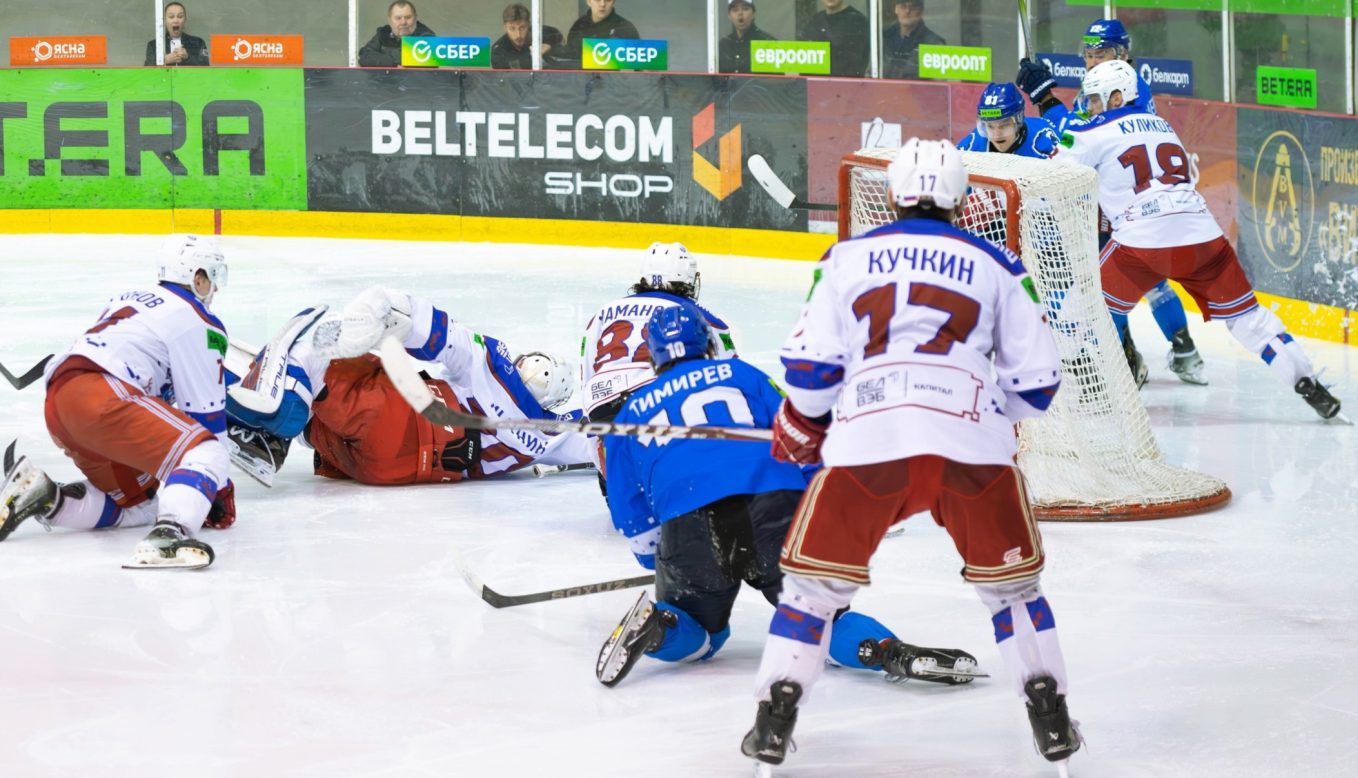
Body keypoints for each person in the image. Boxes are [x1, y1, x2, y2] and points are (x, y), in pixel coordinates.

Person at [740, 138, 1080, 771]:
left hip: (870, 441)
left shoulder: (845, 256)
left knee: (813, 592)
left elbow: (811, 370)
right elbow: (1037, 384)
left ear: (892, 194)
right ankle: (1048, 707)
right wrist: (990, 415)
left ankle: (775, 712)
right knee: (1013, 593)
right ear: (964, 201)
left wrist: (801, 423)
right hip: (971, 446)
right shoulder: (1000, 263)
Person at [596, 304, 981, 689]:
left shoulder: (629, 413)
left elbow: (629, 508)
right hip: (773, 505)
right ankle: (885, 651)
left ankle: (660, 627)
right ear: (708, 342)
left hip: (689, 522)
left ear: (653, 355)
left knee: (701, 631)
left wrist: (656, 559)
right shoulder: (744, 374)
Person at [1054, 61, 1342, 421]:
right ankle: (1308, 383)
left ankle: (1073, 392)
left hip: (1142, 240)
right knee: (1249, 319)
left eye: (1095, 99)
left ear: (1116, 97)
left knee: (1077, 306)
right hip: (1202, 236)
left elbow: (1054, 172)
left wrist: (1054, 124)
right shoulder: (1163, 126)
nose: (1090, 106)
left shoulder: (1090, 130)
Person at [0, 235, 235, 570]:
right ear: (196, 277)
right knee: (207, 451)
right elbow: (205, 418)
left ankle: (46, 497)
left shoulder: (129, 297)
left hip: (59, 402)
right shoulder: (198, 320)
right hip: (104, 395)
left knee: (138, 503)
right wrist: (219, 489)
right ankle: (169, 538)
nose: (215, 288)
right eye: (212, 276)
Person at [224, 288, 587, 486]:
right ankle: (273, 426)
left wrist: (383, 306)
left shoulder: (496, 365)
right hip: (388, 469)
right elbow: (600, 439)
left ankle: (270, 428)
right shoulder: (546, 434)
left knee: (323, 347)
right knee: (321, 406)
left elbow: (438, 333)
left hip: (400, 417)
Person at [1016, 17, 1205, 387]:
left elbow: (1075, 134)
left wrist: (1046, 98)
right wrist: (1047, 98)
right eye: (1088, 53)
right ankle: (1183, 351)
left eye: (1100, 53)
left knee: (1109, 283)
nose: (1091, 60)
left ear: (1122, 53)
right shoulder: (1115, 86)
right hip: (1135, 200)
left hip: (1121, 204)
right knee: (1145, 281)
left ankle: (1127, 361)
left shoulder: (1124, 90)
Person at [579, 243, 734, 489]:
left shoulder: (600, 314)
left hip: (601, 402)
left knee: (621, 483)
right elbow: (731, 375)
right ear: (687, 278)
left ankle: (619, 487)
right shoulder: (695, 314)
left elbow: (587, 376)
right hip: (658, 399)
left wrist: (596, 452)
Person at [955, 82, 1060, 158]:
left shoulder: (1044, 142)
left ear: (1018, 120)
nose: (996, 134)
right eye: (990, 126)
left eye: (1003, 125)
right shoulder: (973, 146)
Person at [799, 0, 870, 78]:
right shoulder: (814, 22)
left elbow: (855, 67)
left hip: (845, 84)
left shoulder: (858, 22)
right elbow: (804, 64)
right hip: (816, 84)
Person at [358, 0, 436, 68]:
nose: (403, 22)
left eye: (408, 17)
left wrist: (383, 57)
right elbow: (364, 56)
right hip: (386, 80)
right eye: (398, 18)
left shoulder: (427, 36)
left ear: (415, 18)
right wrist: (393, 61)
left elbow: (430, 61)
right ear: (390, 20)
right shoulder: (383, 33)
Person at [881, 0, 945, 80]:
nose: (907, 11)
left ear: (921, 11)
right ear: (896, 9)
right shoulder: (883, 38)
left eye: (913, 7)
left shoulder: (934, 45)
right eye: (903, 5)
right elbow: (870, 74)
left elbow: (938, 85)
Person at [561, 0, 640, 63]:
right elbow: (570, 60)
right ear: (588, 1)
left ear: (613, 2)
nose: (602, 4)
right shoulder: (578, 26)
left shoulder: (626, 29)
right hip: (582, 77)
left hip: (614, 78)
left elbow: (635, 69)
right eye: (597, 0)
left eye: (608, 0)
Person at [491, 4, 564, 70]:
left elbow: (562, 40)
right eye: (512, 29)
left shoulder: (542, 32)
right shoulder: (499, 51)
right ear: (505, 28)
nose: (518, 35)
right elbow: (501, 79)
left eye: (522, 28)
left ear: (528, 24)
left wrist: (549, 46)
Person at [718, 0, 775, 75]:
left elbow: (776, 79)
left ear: (754, 14)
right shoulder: (723, 44)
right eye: (735, 10)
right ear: (729, 16)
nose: (740, 13)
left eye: (745, 9)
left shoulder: (767, 43)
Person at [144, 2, 210, 67]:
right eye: (171, 17)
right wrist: (164, 60)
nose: (175, 20)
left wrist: (188, 58)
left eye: (180, 16)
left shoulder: (198, 43)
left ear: (185, 20)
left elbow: (206, 67)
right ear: (164, 21)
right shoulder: (153, 45)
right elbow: (146, 71)